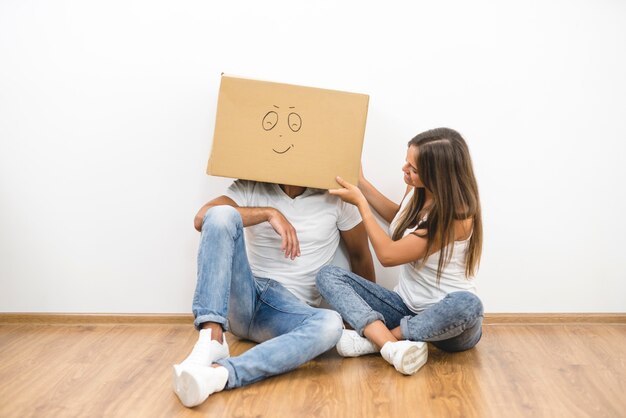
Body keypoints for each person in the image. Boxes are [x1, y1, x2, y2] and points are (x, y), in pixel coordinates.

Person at [172, 180, 375, 407]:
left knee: (330, 324)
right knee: (220, 215)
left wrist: (365, 324)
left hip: (287, 312)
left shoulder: (337, 198)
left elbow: (361, 256)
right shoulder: (250, 186)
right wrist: (269, 213)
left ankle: (220, 375)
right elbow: (202, 218)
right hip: (246, 294)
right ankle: (212, 338)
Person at [316, 127, 484, 376]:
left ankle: (380, 342)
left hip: (449, 325)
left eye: (413, 169)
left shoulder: (456, 218)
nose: (405, 170)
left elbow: (388, 255)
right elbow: (401, 221)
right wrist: (360, 182)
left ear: (438, 176)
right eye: (407, 162)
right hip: (404, 307)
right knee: (327, 276)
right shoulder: (419, 191)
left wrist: (361, 204)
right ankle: (394, 346)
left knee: (468, 304)